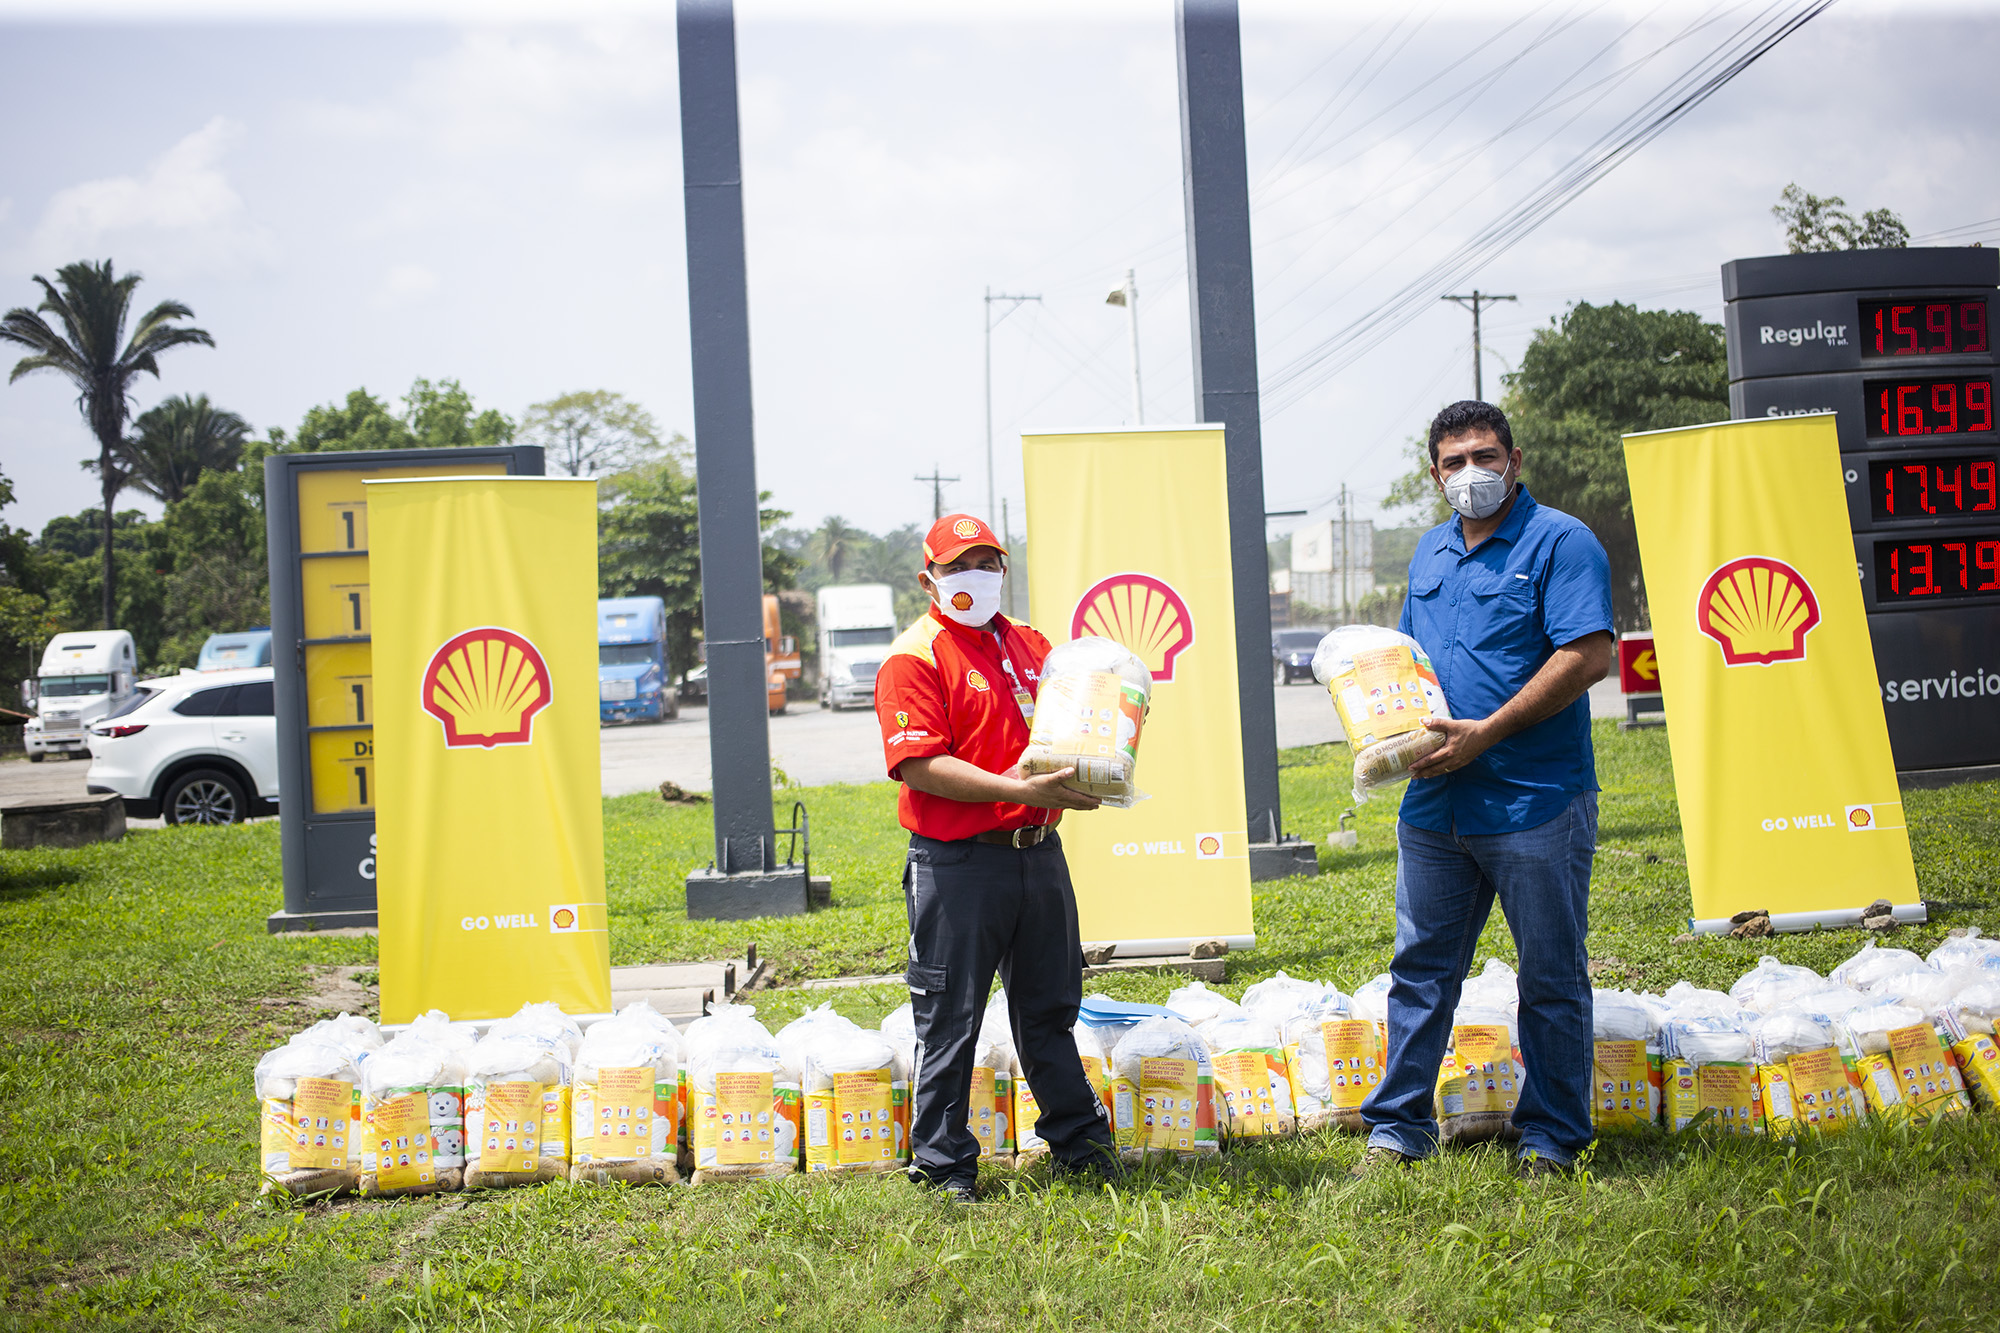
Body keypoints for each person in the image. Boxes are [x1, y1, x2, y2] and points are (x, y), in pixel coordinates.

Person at [1354, 400, 1615, 1180]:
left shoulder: (1562, 542)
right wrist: (1388, 736)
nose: (1473, 472)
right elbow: (1408, 665)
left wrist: (1486, 733)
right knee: (1420, 971)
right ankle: (1399, 1127)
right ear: (1434, 475)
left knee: (1550, 974)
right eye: (1456, 461)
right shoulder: (1431, 554)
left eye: (1486, 455)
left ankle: (1553, 1138)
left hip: (1534, 800)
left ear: (1515, 459)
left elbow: (1588, 655)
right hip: (1435, 806)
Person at [873, 513, 1119, 1201]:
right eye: (957, 566)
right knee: (951, 1017)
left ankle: (1079, 1143)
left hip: (1038, 854)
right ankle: (945, 1164)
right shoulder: (913, 656)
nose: (973, 577)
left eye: (986, 563)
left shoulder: (1032, 645)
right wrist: (1016, 787)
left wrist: (1105, 751)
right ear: (928, 578)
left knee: (1048, 1010)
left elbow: (1076, 722)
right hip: (958, 864)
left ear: (1003, 572)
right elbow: (920, 764)